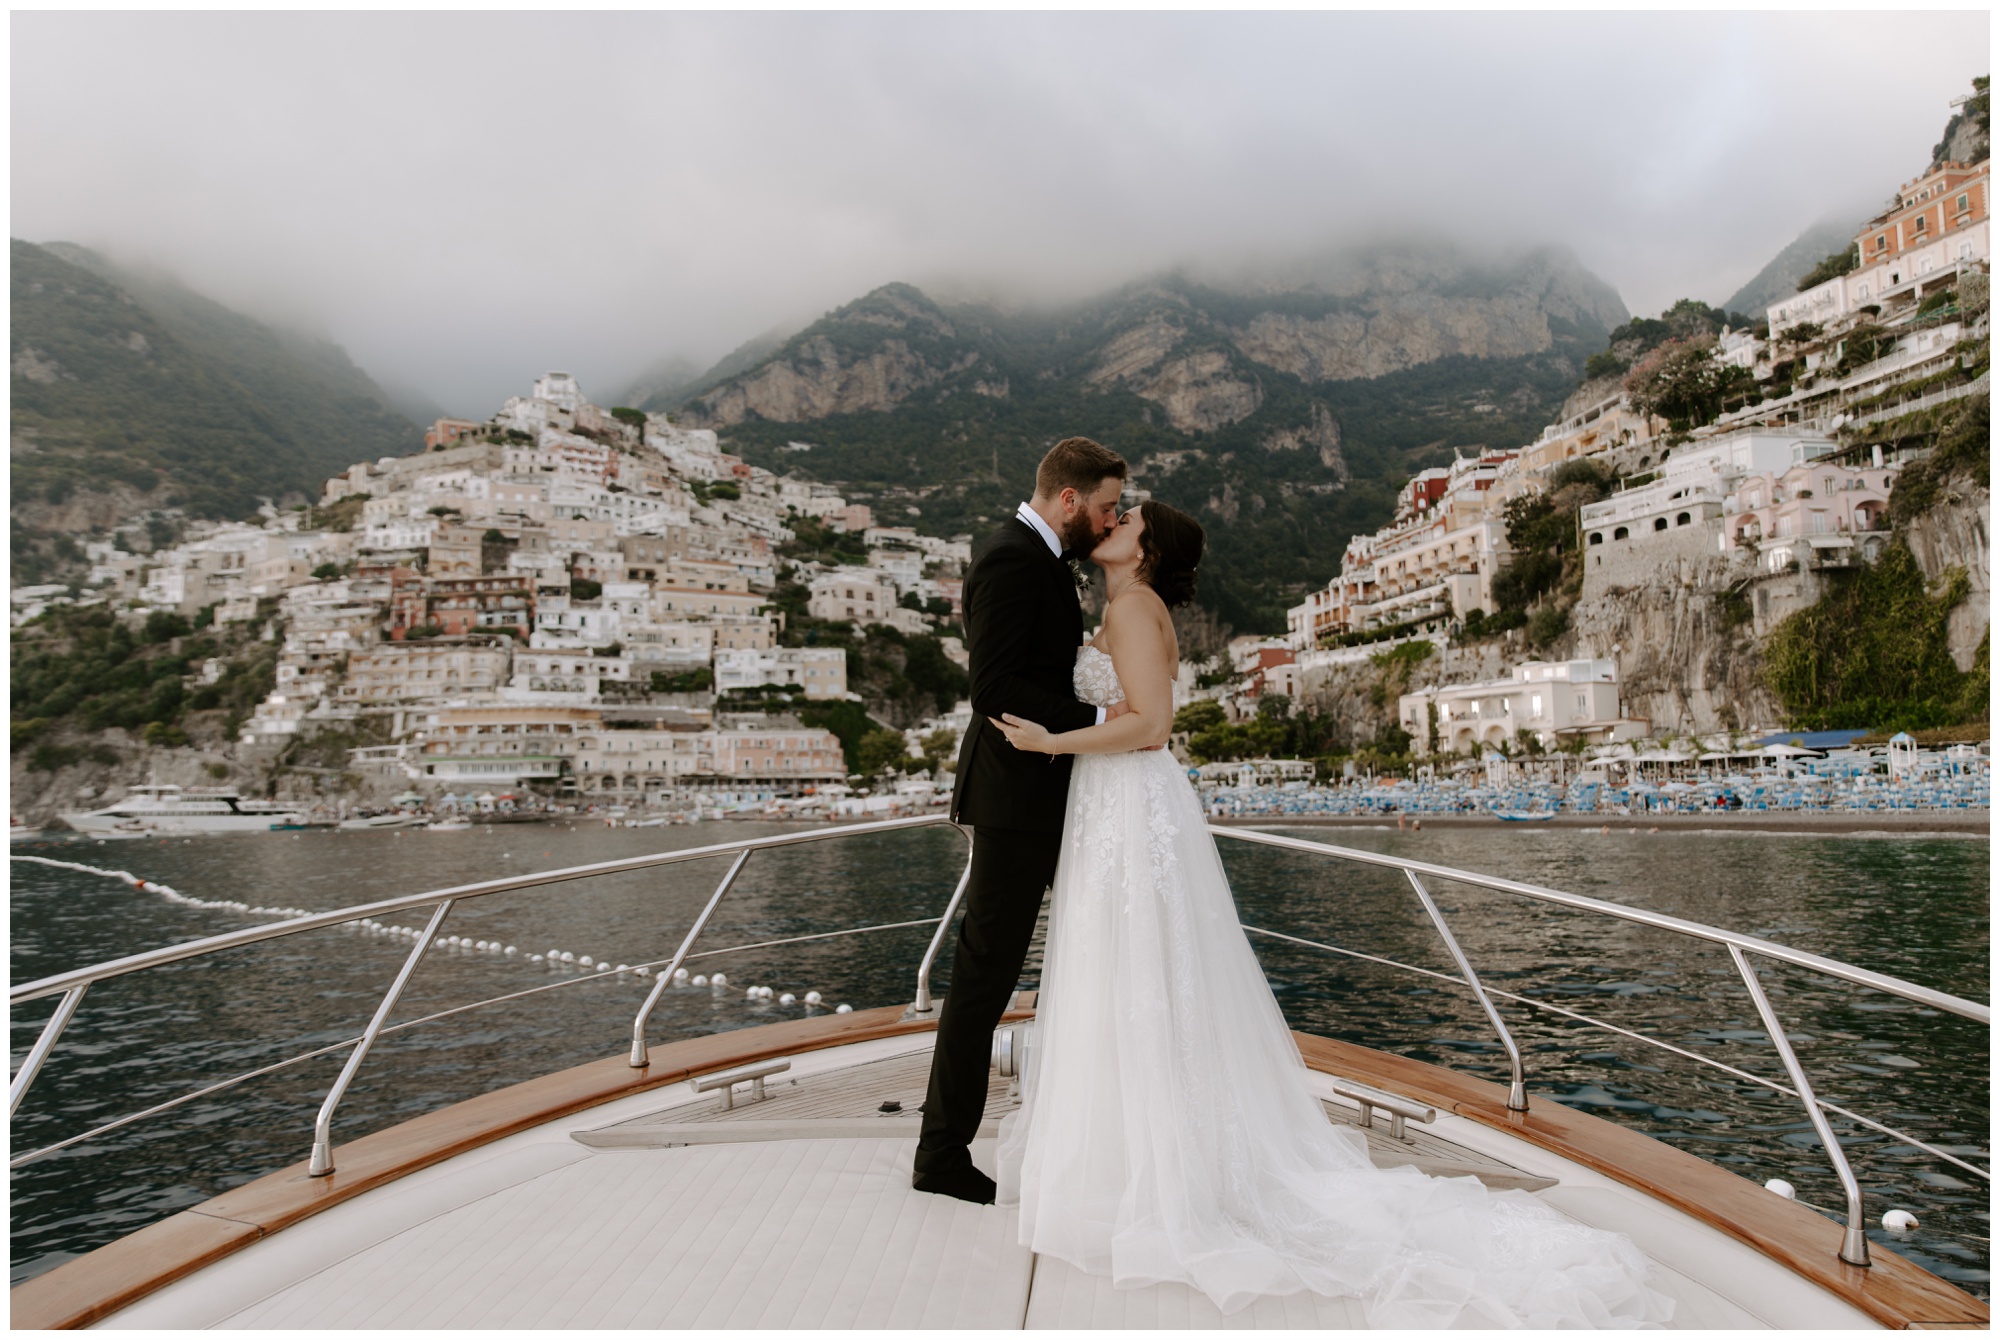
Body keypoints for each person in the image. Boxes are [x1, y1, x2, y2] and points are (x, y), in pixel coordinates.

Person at [985, 498, 1674, 1326]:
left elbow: (1153, 726)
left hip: (1131, 803)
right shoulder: (1127, 604)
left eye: (1127, 518)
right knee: (1135, 971)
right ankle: (1141, 1157)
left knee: (1137, 969)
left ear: (1147, 546)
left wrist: (1047, 744)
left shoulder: (1133, 606)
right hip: (1117, 809)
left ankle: (1151, 1170)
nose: (1112, 521)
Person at [910, 435, 1134, 1206]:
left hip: (1036, 791)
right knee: (984, 980)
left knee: (1014, 969)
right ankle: (941, 1155)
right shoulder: (1012, 558)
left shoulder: (1037, 559)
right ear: (1068, 499)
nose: (1109, 523)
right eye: (1104, 508)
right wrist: (1105, 713)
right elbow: (994, 685)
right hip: (1013, 797)